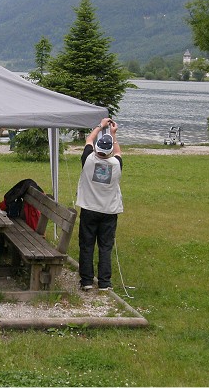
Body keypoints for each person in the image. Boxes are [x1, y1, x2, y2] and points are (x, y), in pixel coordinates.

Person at [76, 117, 123, 291]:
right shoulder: (116, 165)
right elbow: (118, 153)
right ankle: (104, 282)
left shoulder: (88, 159)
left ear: (96, 149)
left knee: (86, 245)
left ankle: (87, 280)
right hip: (109, 210)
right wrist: (113, 134)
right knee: (105, 246)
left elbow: (89, 140)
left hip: (89, 208)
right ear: (110, 150)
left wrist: (100, 126)